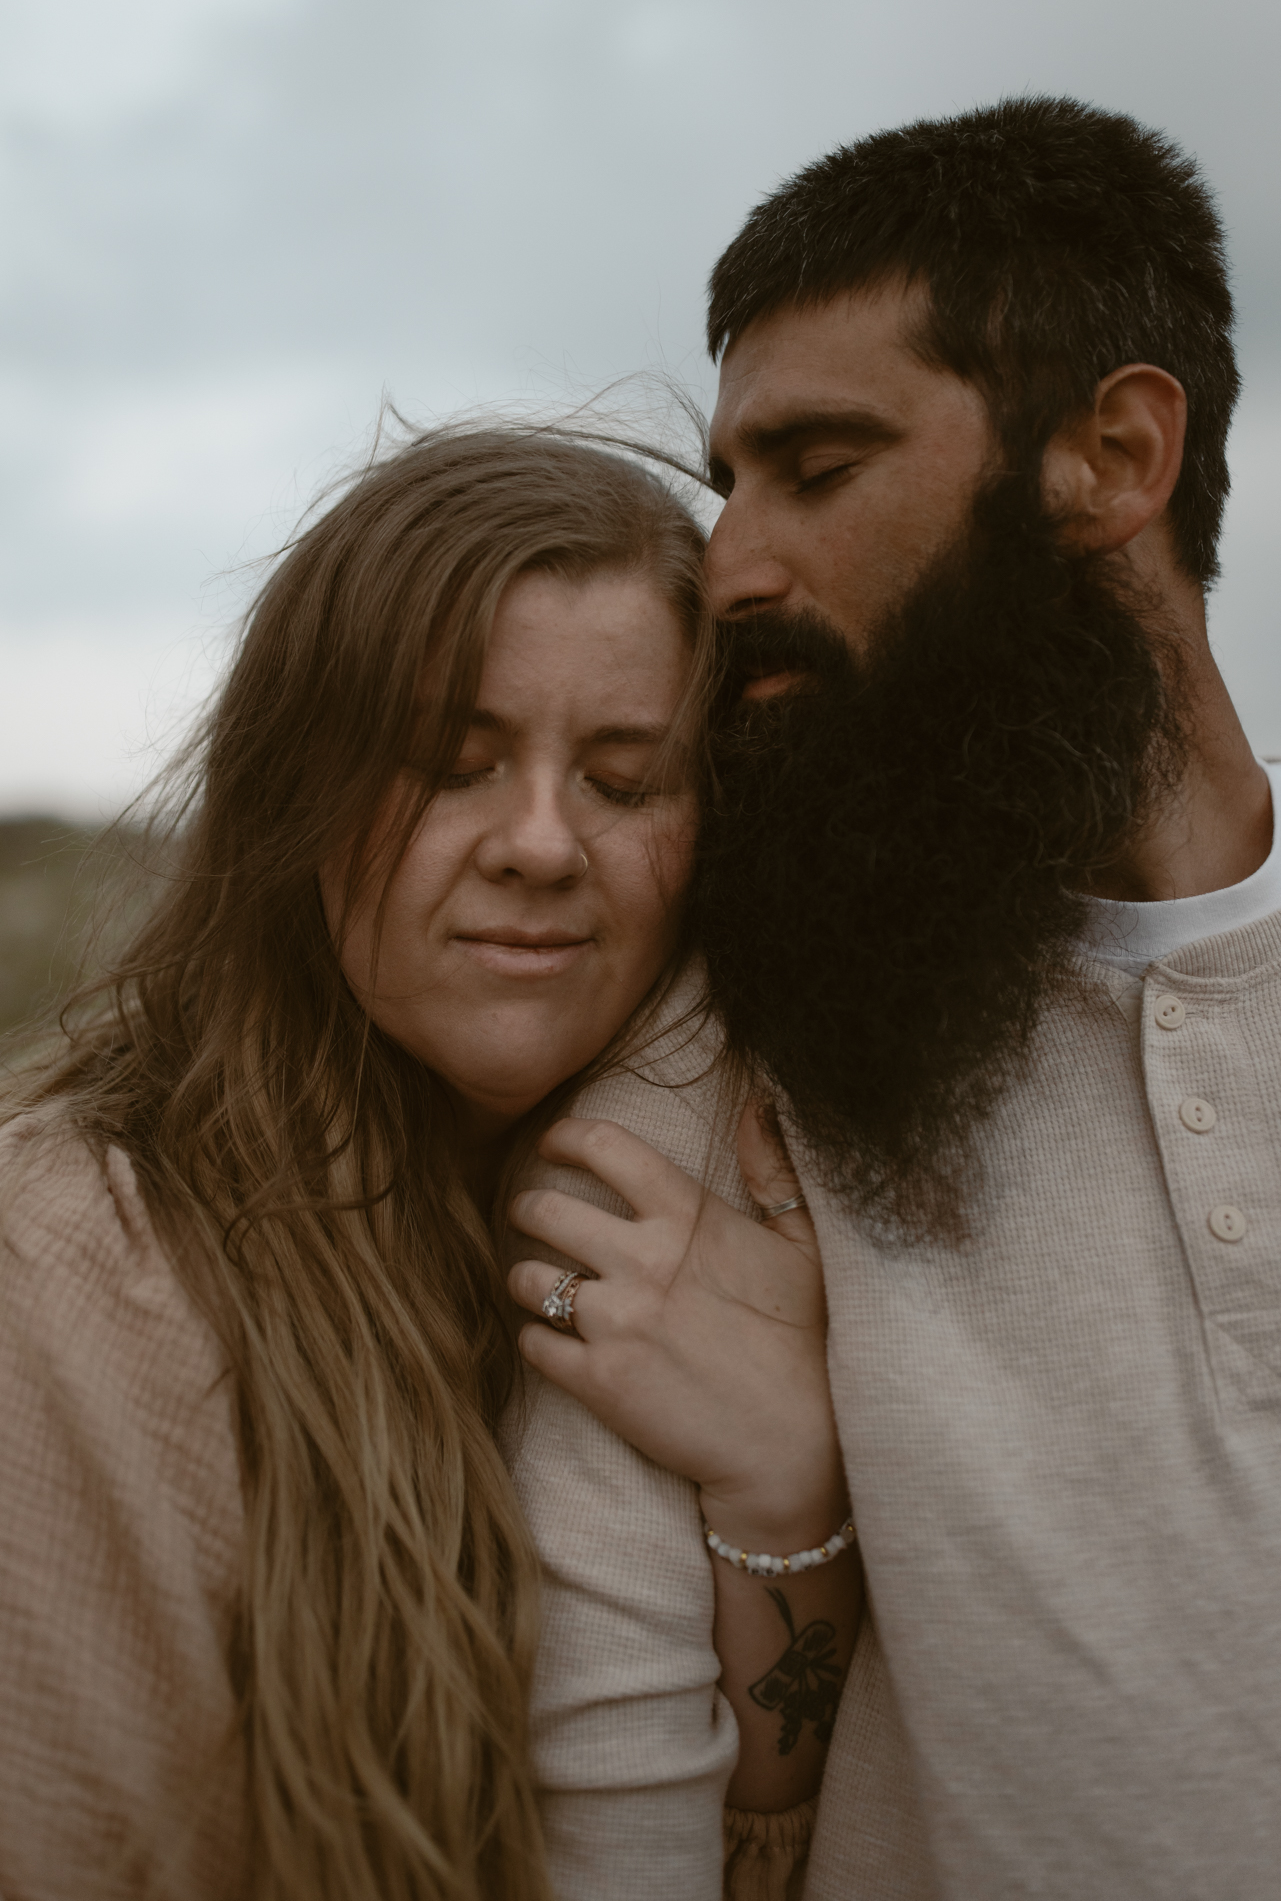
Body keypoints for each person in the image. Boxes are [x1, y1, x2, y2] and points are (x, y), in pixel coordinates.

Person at [507, 97, 1281, 1898]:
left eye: (819, 467)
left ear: (1112, 451)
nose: (730, 568)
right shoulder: (711, 1100)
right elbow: (610, 1828)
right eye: (728, 487)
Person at [0, 423, 848, 1901]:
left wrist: (783, 1498)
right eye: (451, 766)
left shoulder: (748, 1200)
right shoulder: (82, 1265)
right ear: (293, 799)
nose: (538, 841)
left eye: (623, 777)